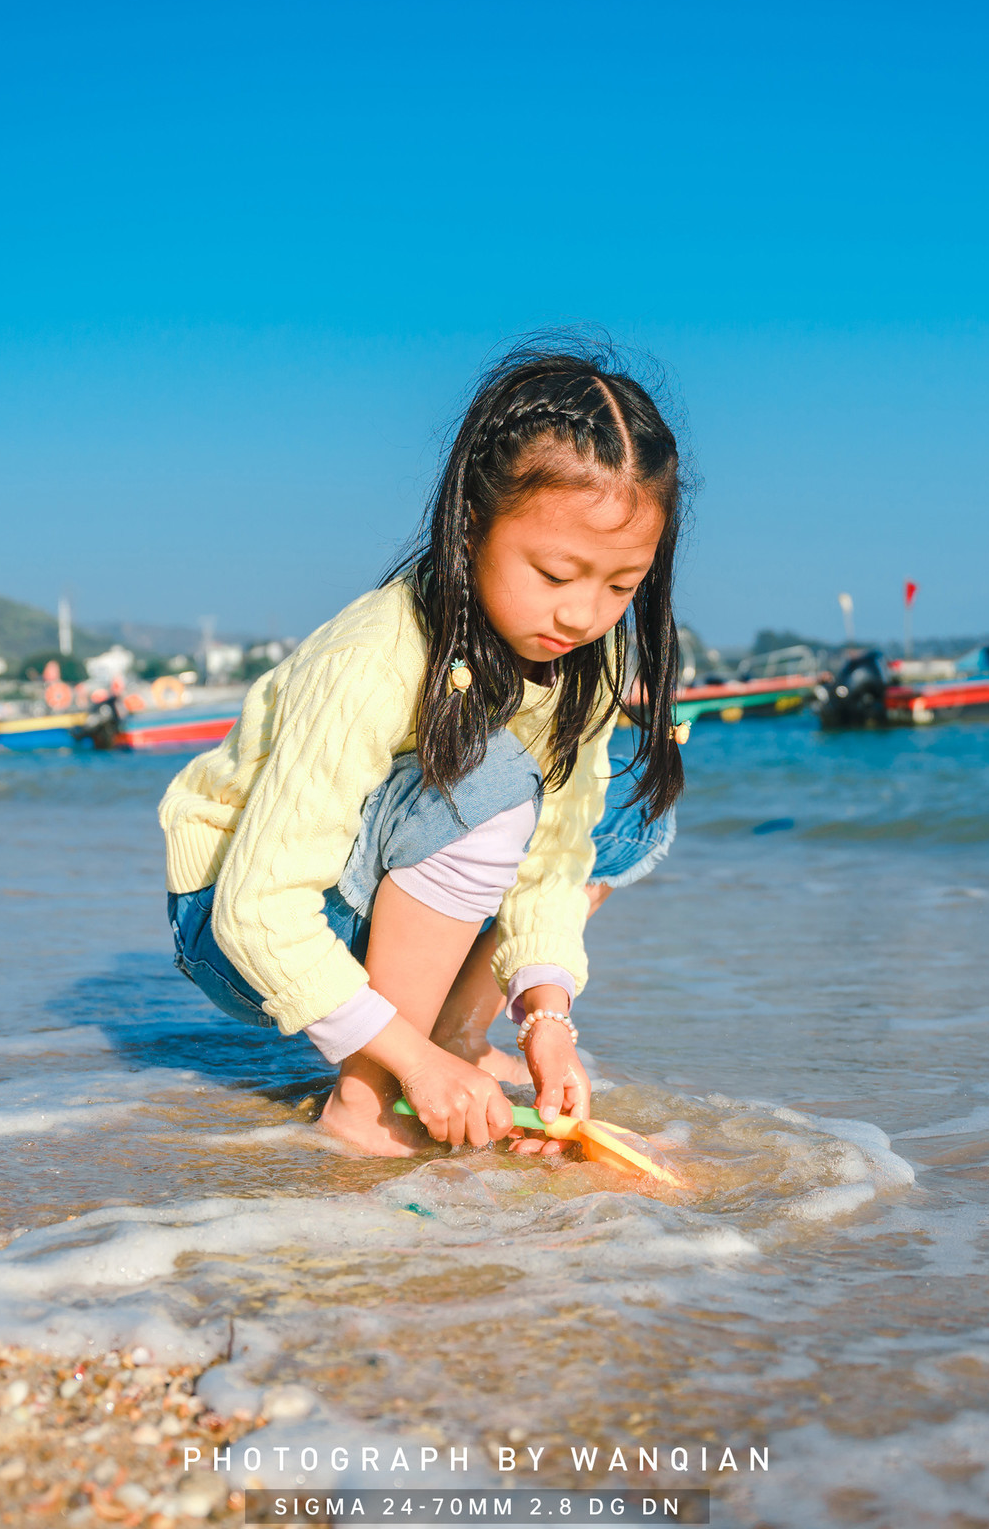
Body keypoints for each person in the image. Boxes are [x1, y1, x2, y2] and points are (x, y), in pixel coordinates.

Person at [159, 338, 685, 1158]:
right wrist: (405, 1060)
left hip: (355, 898)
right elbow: (255, 909)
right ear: (472, 527)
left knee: (627, 804)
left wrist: (547, 1016)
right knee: (489, 769)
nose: (585, 614)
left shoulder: (590, 652)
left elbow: (554, 862)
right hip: (236, 924)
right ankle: (374, 1102)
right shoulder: (376, 653)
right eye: (554, 574)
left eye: (621, 586)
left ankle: (457, 1033)